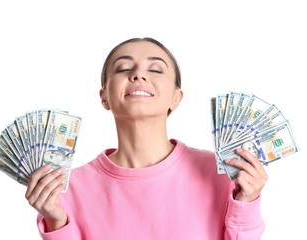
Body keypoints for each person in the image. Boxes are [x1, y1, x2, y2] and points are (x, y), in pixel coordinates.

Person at [25, 37, 268, 240]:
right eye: (122, 69)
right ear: (104, 97)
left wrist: (247, 201)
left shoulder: (223, 172)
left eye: (155, 69)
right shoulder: (66, 188)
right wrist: (56, 221)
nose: (139, 74)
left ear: (176, 97)